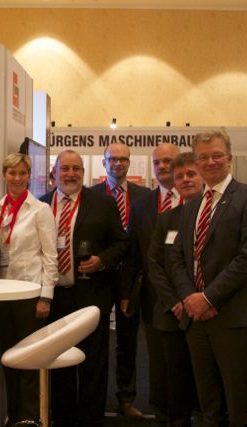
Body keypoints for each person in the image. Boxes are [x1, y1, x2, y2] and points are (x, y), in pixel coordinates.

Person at [169, 130, 247, 426]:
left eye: (216, 155)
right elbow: (177, 258)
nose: (210, 161)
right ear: (197, 162)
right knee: (208, 406)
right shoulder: (192, 206)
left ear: (229, 158)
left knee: (240, 407)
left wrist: (207, 298)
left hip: (235, 318)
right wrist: (191, 298)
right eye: (204, 157)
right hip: (197, 321)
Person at [39, 150, 128, 427]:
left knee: (93, 364)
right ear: (54, 173)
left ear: (83, 172)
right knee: (59, 361)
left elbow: (121, 243)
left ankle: (91, 420)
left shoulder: (102, 203)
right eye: (65, 168)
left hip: (92, 296)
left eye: (76, 168)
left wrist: (102, 260)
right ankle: (62, 419)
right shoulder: (41, 204)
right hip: (54, 297)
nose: (71, 174)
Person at [0, 153, 58, 425]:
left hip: (31, 295)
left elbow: (50, 256)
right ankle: (14, 415)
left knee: (29, 359)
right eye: (12, 173)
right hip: (2, 293)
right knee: (8, 358)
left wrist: (46, 296)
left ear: (29, 176)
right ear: (4, 175)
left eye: (22, 173)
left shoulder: (40, 210)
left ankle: (31, 417)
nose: (17, 178)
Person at [119, 142, 181, 423]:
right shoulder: (141, 205)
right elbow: (133, 253)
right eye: (157, 163)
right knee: (158, 361)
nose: (162, 167)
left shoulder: (194, 199)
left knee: (188, 361)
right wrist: (126, 293)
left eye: (168, 161)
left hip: (192, 297)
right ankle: (162, 414)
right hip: (153, 297)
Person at [90, 142, 150, 419]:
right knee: (96, 340)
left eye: (123, 159)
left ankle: (126, 399)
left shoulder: (144, 196)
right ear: (104, 163)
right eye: (112, 159)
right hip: (98, 277)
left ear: (129, 162)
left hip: (131, 279)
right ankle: (95, 400)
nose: (118, 163)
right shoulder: (90, 195)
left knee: (128, 341)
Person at [147, 152, 202, 427]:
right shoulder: (167, 219)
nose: (185, 180)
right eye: (180, 176)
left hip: (206, 311)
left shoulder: (216, 216)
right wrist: (175, 302)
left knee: (204, 383)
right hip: (172, 314)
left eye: (191, 174)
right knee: (173, 382)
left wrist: (196, 300)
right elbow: (154, 263)